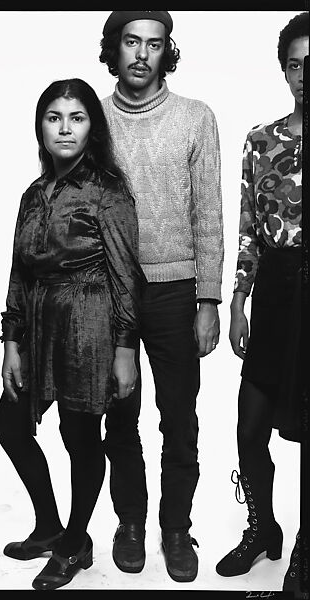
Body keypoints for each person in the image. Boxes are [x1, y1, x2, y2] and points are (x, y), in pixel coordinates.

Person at [0, 77, 144, 591]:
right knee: (9, 426)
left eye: (76, 117)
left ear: (92, 128)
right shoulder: (34, 193)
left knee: (80, 437)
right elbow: (18, 270)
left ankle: (76, 541)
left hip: (89, 319)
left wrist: (125, 349)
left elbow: (126, 275)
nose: (64, 127)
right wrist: (11, 339)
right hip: (37, 321)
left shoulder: (107, 191)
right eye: (54, 117)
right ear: (40, 127)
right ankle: (50, 525)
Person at [98, 11, 224, 582]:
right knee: (119, 418)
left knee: (180, 418)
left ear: (166, 50)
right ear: (115, 48)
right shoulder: (93, 117)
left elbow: (208, 214)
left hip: (177, 291)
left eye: (154, 44)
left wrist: (208, 299)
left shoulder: (196, 119)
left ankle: (176, 528)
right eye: (131, 42)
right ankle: (129, 522)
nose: (142, 55)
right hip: (110, 289)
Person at [215, 12, 308, 599]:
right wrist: (238, 300)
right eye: (295, 64)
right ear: (283, 70)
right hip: (274, 288)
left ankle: (305, 549)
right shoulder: (262, 139)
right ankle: (263, 525)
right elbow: (249, 227)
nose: (305, 75)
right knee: (252, 424)